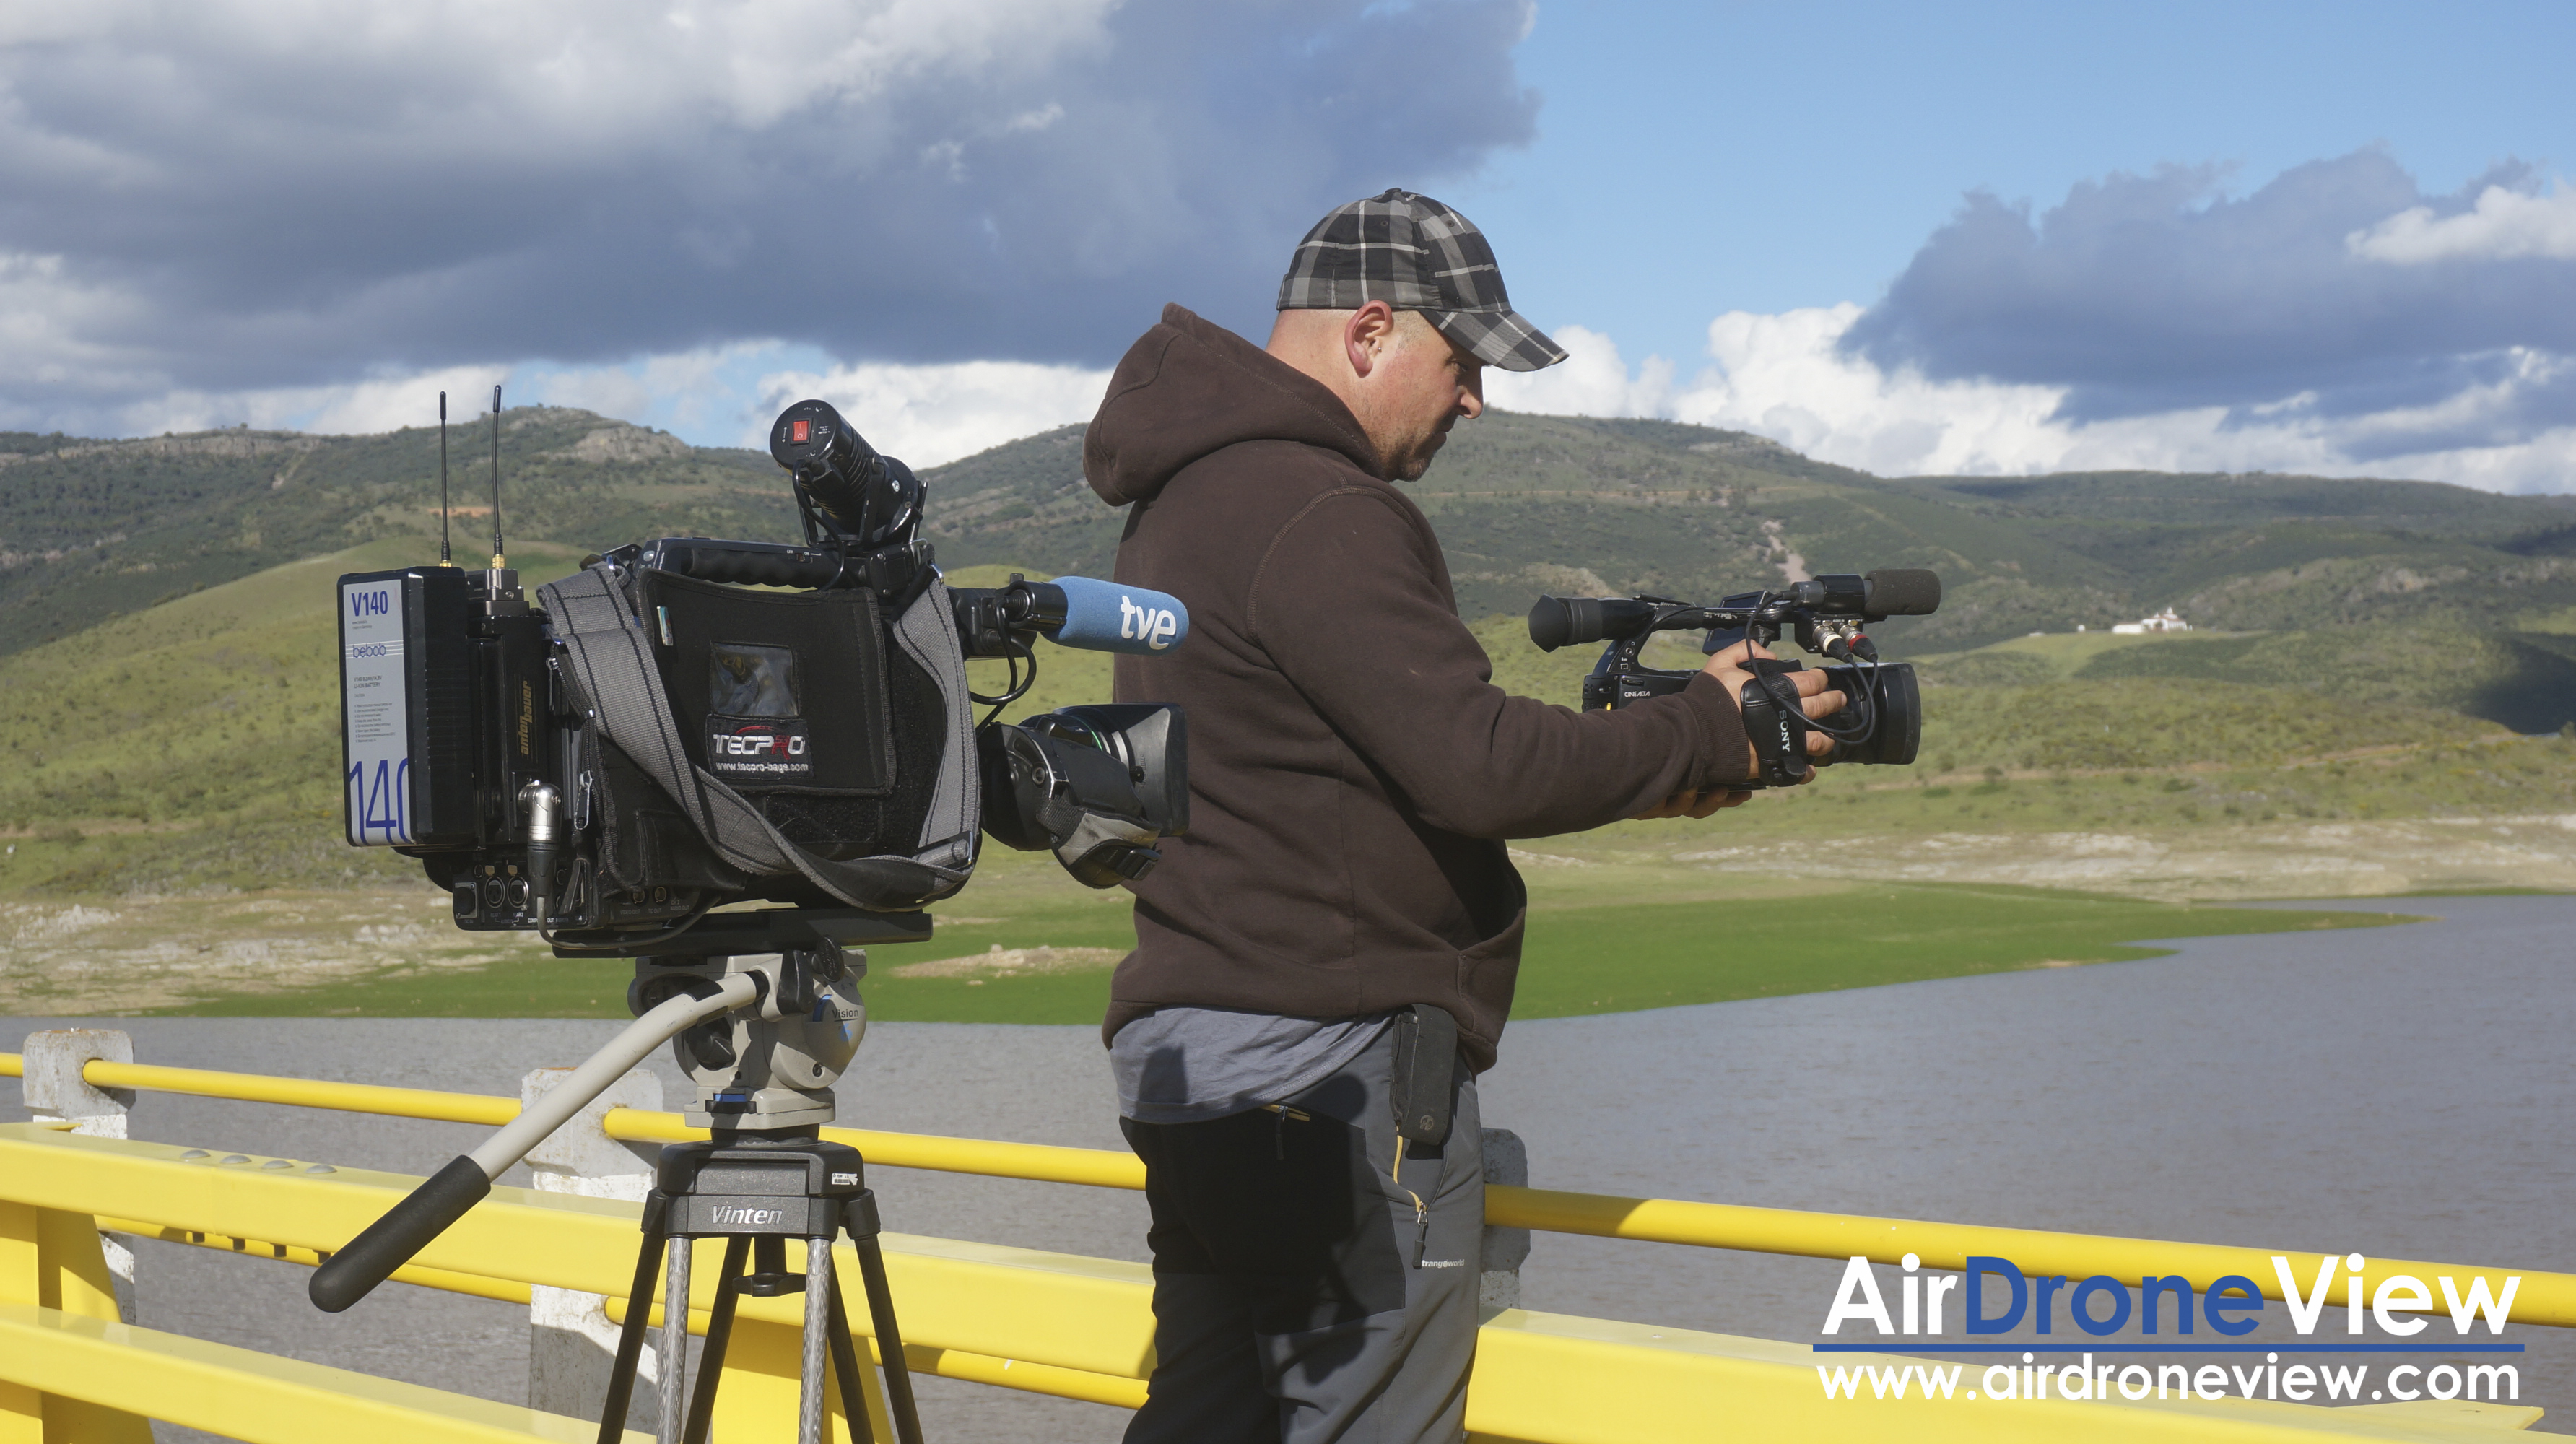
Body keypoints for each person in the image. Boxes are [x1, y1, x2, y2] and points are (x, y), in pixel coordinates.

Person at [1079, 188, 1844, 1444]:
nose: (1477, 400)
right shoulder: (1321, 507)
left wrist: (1646, 770)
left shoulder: (1181, 501)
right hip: (1329, 1073)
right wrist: (1711, 728)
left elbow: (1327, 780)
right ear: (1370, 332)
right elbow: (1478, 764)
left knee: (1207, 1417)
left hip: (1196, 1068)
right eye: (1464, 362)